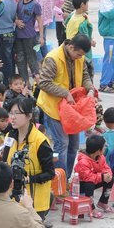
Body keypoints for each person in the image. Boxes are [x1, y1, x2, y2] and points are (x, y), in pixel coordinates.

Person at [36, 34, 95, 176]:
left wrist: (90, 89)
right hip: (53, 108)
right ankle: (59, 180)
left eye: (82, 55)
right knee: (62, 144)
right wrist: (64, 93)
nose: (79, 57)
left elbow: (85, 75)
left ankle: (66, 177)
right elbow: (43, 83)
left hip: (72, 109)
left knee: (74, 145)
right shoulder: (53, 58)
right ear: (70, 47)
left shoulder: (79, 58)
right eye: (78, 54)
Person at [2, 97, 55, 220]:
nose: (12, 117)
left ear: (29, 116)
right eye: (11, 113)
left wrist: (28, 179)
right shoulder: (10, 136)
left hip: (34, 202)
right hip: (12, 200)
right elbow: (5, 161)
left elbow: (50, 173)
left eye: (17, 113)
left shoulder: (40, 141)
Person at [74, 135, 114, 217]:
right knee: (89, 184)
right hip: (81, 184)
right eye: (104, 147)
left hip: (95, 179)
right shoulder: (83, 161)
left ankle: (103, 202)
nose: (105, 147)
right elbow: (87, 177)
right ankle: (91, 208)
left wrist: (107, 175)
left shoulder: (101, 157)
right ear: (98, 150)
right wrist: (102, 176)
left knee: (111, 179)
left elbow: (106, 168)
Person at [15, 0, 43, 89]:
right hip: (18, 35)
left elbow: (40, 21)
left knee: (32, 58)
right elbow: (15, 16)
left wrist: (41, 37)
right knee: (20, 59)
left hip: (30, 36)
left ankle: (37, 80)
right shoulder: (19, 3)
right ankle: (25, 82)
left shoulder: (35, 5)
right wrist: (16, 21)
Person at [64, 0, 96, 77]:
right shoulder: (76, 21)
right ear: (82, 5)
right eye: (87, 3)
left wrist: (91, 39)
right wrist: (90, 42)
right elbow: (73, 37)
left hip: (83, 48)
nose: (88, 5)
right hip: (81, 51)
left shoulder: (80, 15)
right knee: (85, 72)